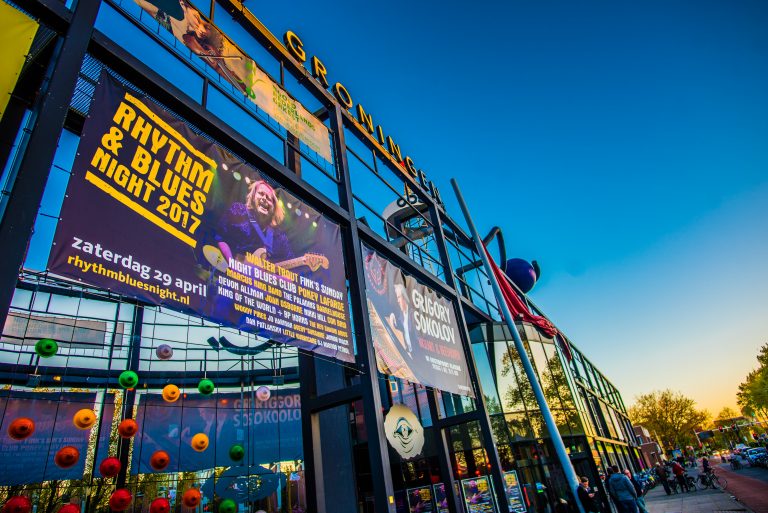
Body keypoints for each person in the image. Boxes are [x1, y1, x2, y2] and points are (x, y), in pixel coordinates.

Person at [216, 180, 292, 263]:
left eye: (269, 198)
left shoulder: (279, 236)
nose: (264, 198)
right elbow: (221, 238)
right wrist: (232, 265)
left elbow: (289, 266)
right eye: (261, 193)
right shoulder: (238, 211)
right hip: (228, 271)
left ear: (274, 208)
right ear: (252, 197)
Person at [386, 283, 418, 357]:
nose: (397, 301)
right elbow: (398, 326)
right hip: (408, 354)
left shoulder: (413, 313)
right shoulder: (401, 314)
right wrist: (392, 314)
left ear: (404, 297)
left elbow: (417, 339)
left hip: (417, 357)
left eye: (399, 297)